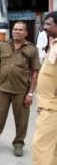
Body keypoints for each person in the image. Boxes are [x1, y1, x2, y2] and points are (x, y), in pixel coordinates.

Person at [0, 21, 40, 157]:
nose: (17, 32)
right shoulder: (3, 46)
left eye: (20, 30)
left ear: (26, 33)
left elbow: (35, 72)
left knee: (21, 120)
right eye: (15, 29)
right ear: (12, 31)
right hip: (2, 89)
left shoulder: (32, 49)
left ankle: (18, 144)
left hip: (21, 91)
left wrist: (30, 93)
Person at [32, 11, 57, 165]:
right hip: (47, 106)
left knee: (40, 147)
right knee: (52, 149)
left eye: (48, 24)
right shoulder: (53, 44)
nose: (45, 27)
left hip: (52, 109)